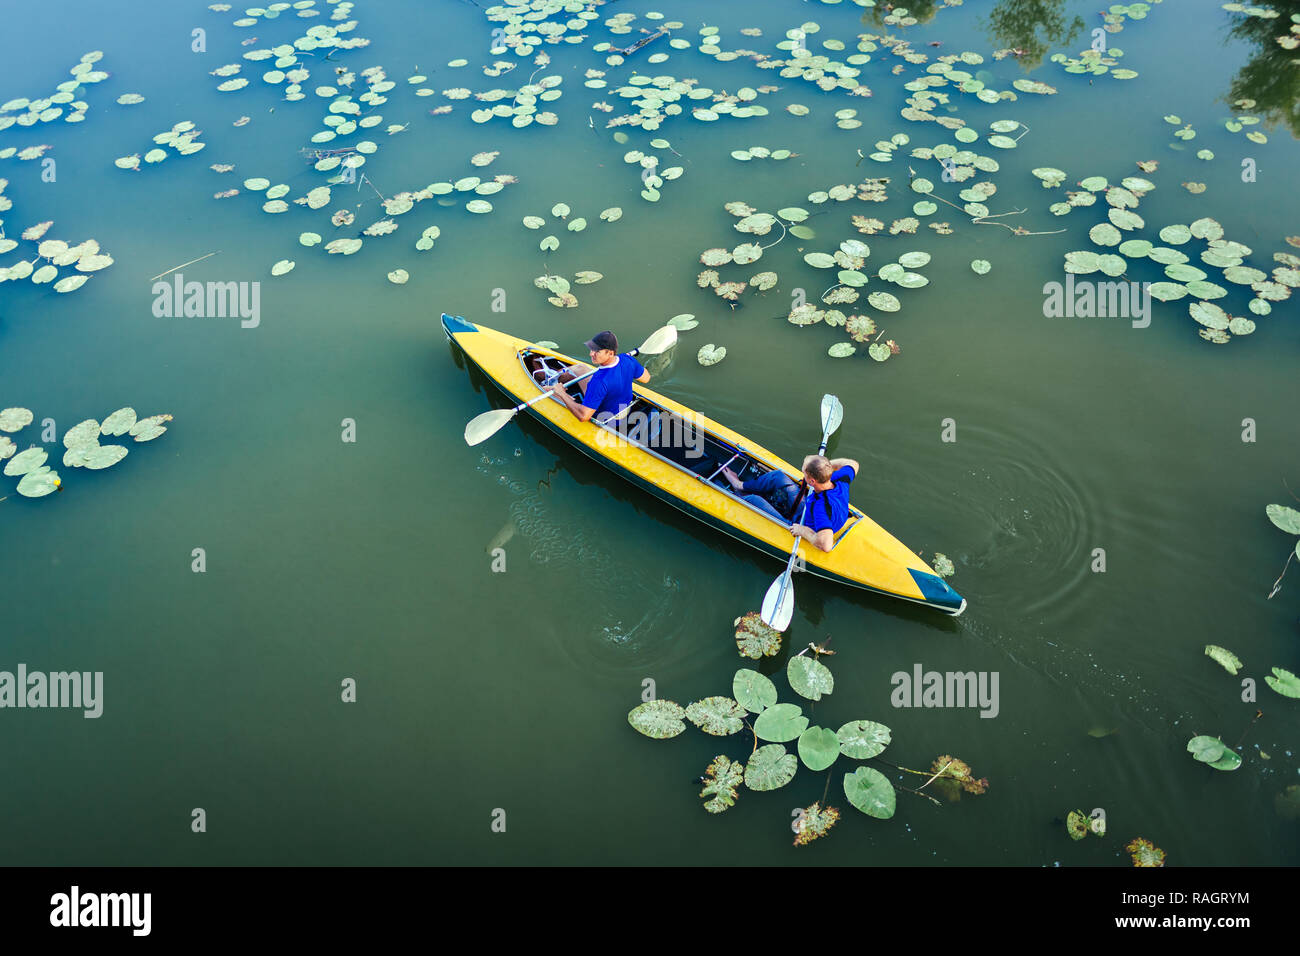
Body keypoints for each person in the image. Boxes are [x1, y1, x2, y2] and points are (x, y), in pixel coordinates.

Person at [723, 455, 858, 551]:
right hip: (806, 512)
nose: (802, 474)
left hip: (797, 526)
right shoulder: (841, 479)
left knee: (753, 500)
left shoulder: (820, 507)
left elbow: (826, 544)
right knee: (778, 477)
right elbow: (853, 464)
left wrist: (803, 531)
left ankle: (731, 493)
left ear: (812, 481)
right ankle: (739, 484)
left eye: (804, 473)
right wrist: (824, 466)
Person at [550, 331, 650, 423]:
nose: (591, 353)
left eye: (597, 351)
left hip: (606, 418)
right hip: (625, 407)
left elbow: (583, 416)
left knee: (547, 390)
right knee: (580, 368)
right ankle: (552, 378)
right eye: (592, 349)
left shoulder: (599, 381)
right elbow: (646, 378)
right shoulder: (627, 359)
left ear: (610, 353)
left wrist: (561, 393)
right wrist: (629, 367)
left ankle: (551, 386)